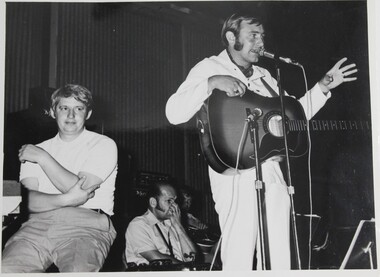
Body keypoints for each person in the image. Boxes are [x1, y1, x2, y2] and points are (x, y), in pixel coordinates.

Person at [165, 14, 357, 270]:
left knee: (279, 254)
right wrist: (211, 83)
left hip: (272, 172)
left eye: (262, 36)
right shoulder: (209, 68)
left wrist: (322, 87)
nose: (260, 42)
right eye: (253, 35)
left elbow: (292, 115)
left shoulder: (266, 75)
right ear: (231, 38)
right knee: (240, 253)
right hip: (234, 173)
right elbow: (173, 112)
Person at [2, 84, 118, 272]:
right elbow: (27, 201)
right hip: (36, 226)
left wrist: (43, 157)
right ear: (53, 112)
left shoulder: (103, 144)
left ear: (87, 114)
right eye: (64, 108)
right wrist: (66, 200)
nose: (71, 115)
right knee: (7, 269)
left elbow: (80, 188)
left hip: (86, 227)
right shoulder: (37, 148)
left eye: (78, 109)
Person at [124, 182, 198, 266]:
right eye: (169, 201)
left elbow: (192, 258)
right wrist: (186, 269)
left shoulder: (172, 223)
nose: (175, 206)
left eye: (175, 201)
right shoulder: (138, 225)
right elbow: (157, 260)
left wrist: (179, 226)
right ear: (153, 202)